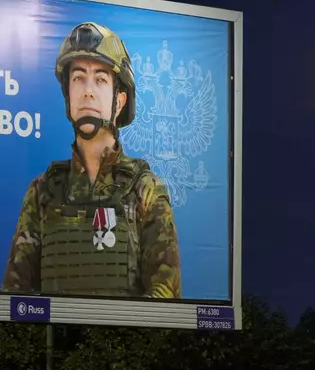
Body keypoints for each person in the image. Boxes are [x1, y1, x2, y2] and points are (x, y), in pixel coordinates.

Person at [1, 22, 181, 299]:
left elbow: (165, 295)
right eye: (78, 78)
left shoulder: (145, 191)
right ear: (68, 96)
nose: (87, 91)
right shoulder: (42, 192)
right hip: (51, 342)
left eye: (100, 79)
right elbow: (15, 297)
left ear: (119, 101)